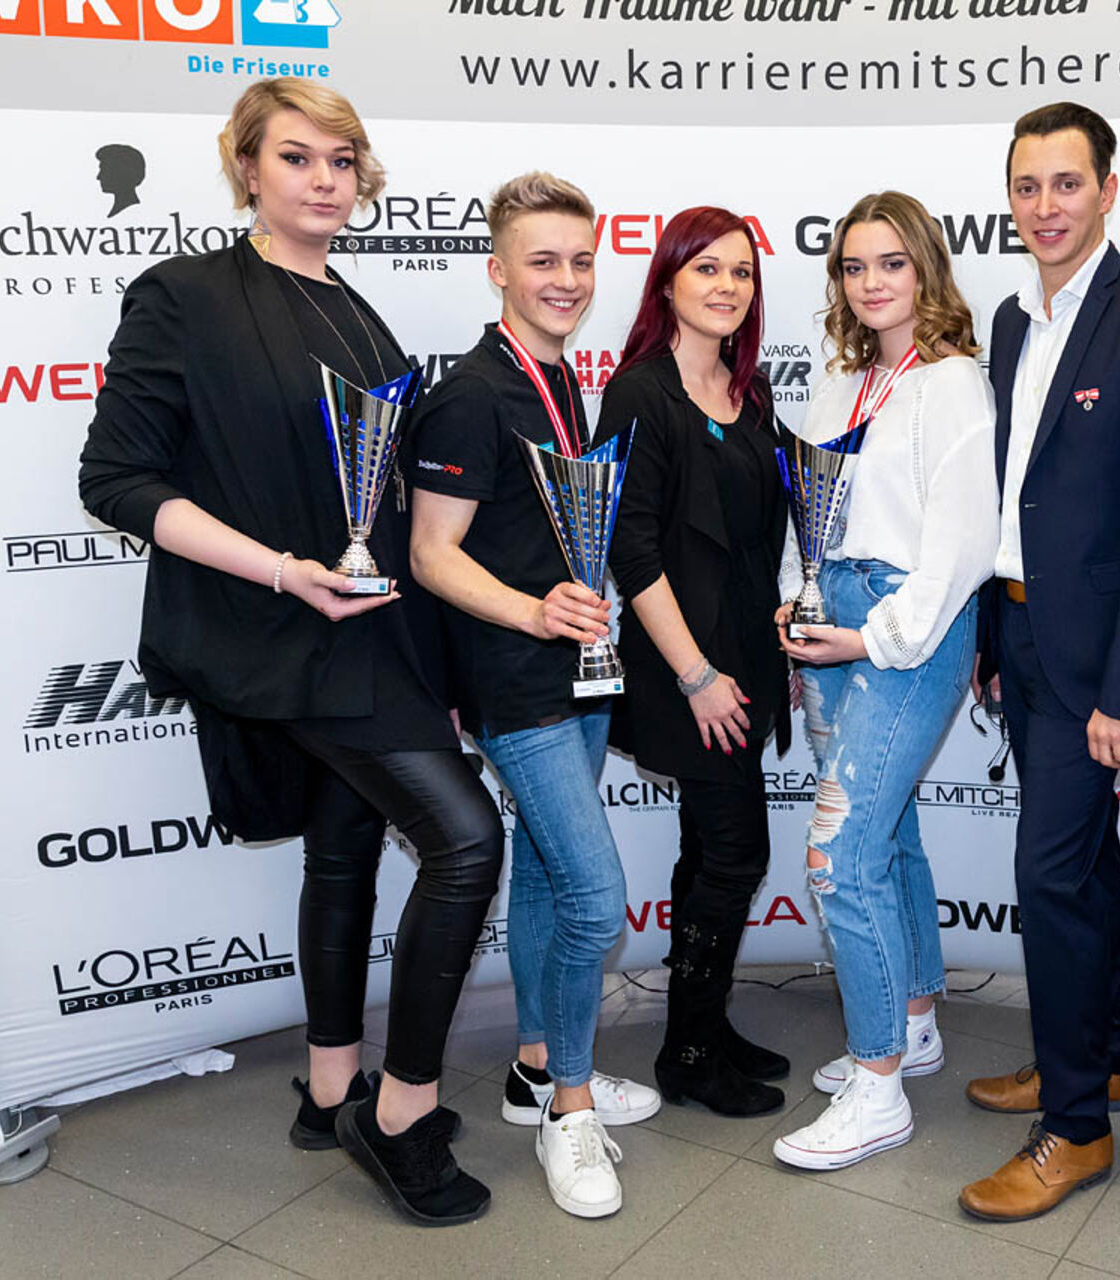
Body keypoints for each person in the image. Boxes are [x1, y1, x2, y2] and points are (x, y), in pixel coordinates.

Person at [78, 78, 498, 1227]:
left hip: (375, 631)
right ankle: (399, 1114)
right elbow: (115, 478)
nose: (324, 179)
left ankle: (327, 1090)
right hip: (274, 633)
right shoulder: (185, 295)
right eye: (298, 156)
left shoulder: (358, 313)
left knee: (346, 847)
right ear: (247, 167)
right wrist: (277, 568)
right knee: (466, 840)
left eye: (342, 159)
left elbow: (386, 503)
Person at [958, 102, 1120, 1222]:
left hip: (1098, 655)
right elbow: (1012, 494)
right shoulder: (1014, 320)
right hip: (1021, 632)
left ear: (1108, 190)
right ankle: (1097, 1056)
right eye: (1027, 186)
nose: (1046, 206)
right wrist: (991, 636)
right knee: (1087, 865)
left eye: (1067, 183)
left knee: (1050, 878)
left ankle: (1074, 1129)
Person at [406, 171, 660, 1221]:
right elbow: (431, 553)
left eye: (581, 260)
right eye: (542, 260)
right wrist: (533, 612)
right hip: (518, 683)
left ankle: (533, 1065)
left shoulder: (560, 378)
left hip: (576, 671)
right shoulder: (473, 392)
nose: (566, 279)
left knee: (553, 880)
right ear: (498, 268)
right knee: (597, 898)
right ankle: (569, 1110)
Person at [767, 192, 998, 1171]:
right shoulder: (840, 380)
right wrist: (796, 601)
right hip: (834, 614)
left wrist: (872, 637)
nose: (871, 283)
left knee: (839, 853)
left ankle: (878, 1087)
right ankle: (914, 1018)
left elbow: (961, 547)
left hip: (909, 627)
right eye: (854, 267)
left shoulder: (953, 383)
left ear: (926, 270)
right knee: (889, 830)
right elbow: (810, 508)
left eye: (891, 263)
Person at [595, 206, 792, 1117]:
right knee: (737, 852)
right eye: (706, 268)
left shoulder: (751, 393)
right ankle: (688, 1051)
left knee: (708, 849)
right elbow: (631, 549)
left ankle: (700, 1028)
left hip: (747, 656)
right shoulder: (640, 393)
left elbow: (764, 534)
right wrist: (696, 676)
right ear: (667, 282)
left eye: (741, 272)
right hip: (688, 668)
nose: (726, 285)